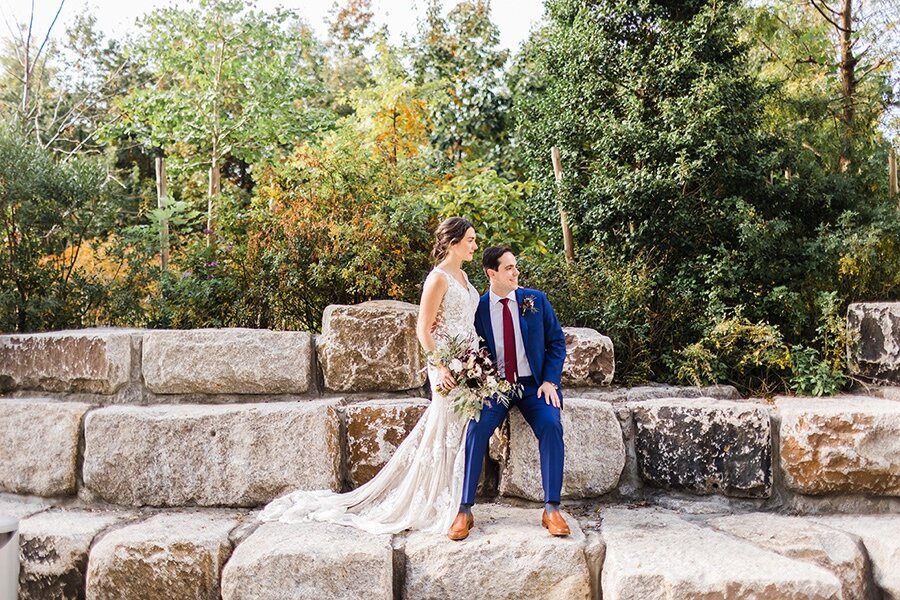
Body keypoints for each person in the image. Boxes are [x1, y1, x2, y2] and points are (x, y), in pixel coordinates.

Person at [258, 217, 480, 535]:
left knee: (456, 431)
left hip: (467, 362)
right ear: (454, 242)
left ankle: (455, 498)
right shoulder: (438, 278)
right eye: (470, 240)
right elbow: (422, 329)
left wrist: (474, 360)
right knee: (444, 428)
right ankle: (436, 501)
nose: (474, 245)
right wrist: (442, 365)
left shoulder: (464, 275)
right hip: (445, 364)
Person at [447, 246, 568, 541]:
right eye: (509, 268)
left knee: (551, 425)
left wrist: (550, 381)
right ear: (492, 273)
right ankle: (464, 510)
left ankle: (551, 508)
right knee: (476, 430)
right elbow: (463, 339)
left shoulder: (534, 300)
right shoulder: (478, 308)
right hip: (495, 387)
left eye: (515, 267)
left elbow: (557, 342)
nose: (516, 273)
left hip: (533, 385)